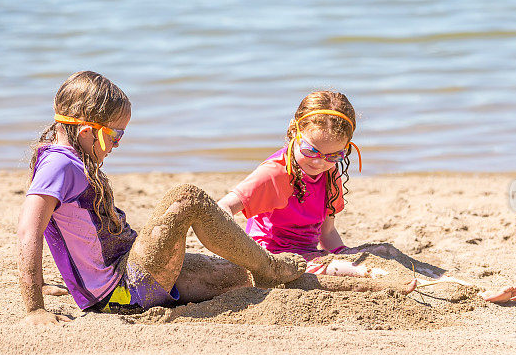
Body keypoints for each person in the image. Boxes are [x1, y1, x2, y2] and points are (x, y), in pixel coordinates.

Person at [17, 71, 306, 326]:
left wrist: (46, 283)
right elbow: (30, 229)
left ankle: (265, 270)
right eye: (115, 136)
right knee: (187, 198)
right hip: (120, 292)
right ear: (86, 132)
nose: (117, 145)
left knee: (236, 276)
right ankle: (270, 266)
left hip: (130, 270)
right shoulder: (60, 165)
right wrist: (34, 309)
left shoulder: (70, 162)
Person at [217, 91, 516, 303]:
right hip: (275, 261)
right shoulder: (273, 174)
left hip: (311, 255)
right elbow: (221, 209)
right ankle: (428, 293)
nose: (319, 161)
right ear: (294, 133)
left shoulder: (328, 174)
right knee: (361, 271)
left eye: (334, 154)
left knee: (385, 252)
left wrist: (344, 252)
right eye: (311, 150)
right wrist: (242, 256)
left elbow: (326, 233)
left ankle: (470, 289)